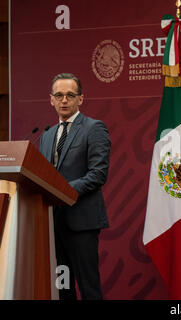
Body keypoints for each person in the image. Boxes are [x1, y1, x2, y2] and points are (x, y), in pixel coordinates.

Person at [39, 73, 111, 299]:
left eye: (70, 95)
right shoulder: (47, 135)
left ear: (81, 99)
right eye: (59, 95)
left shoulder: (94, 128)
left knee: (89, 288)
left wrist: (62, 191)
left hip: (82, 223)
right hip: (53, 224)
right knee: (62, 288)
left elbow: (98, 174)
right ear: (51, 99)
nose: (64, 100)